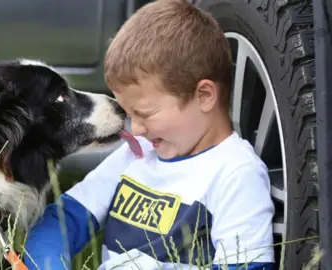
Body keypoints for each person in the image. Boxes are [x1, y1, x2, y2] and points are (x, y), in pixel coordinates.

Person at [22, 0, 275, 269]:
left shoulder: (235, 173)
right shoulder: (138, 153)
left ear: (204, 96)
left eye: (145, 113)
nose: (136, 129)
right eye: (130, 115)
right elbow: (61, 221)